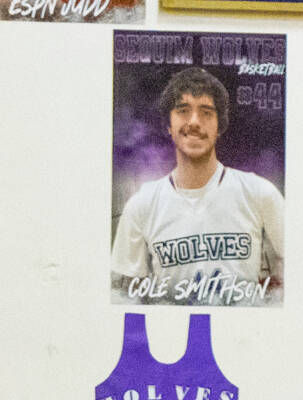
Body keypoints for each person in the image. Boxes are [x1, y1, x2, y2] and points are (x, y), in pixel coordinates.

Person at [111, 67, 284, 307]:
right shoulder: (142, 204)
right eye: (183, 111)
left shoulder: (259, 193)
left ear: (219, 126)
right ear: (168, 125)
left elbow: (296, 278)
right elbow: (123, 298)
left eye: (206, 112)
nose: (194, 122)